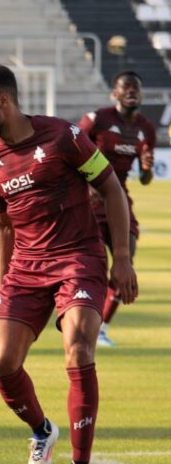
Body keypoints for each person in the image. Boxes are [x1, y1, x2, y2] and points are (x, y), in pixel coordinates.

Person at [0, 64, 137, 464]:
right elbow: (3, 226)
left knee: (79, 344)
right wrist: (3, 284)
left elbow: (112, 189)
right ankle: (42, 431)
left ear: (3, 101)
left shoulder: (65, 136)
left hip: (78, 258)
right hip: (25, 269)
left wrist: (123, 261)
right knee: (2, 362)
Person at [77, 71, 155, 347]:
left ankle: (101, 328)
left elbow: (145, 180)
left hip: (120, 201)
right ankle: (81, 321)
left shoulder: (146, 128)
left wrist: (146, 169)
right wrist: (85, 186)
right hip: (90, 204)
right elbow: (68, 154)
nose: (132, 91)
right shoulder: (96, 120)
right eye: (126, 87)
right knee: (93, 268)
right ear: (115, 93)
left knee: (125, 265)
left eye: (137, 88)